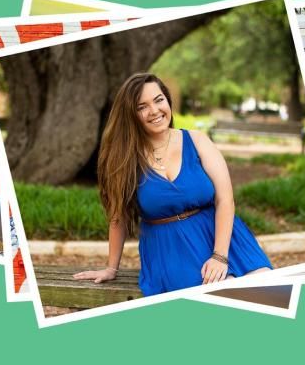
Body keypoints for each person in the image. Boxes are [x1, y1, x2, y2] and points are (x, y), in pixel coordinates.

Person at [73, 73, 272, 295]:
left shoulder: (197, 140)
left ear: (167, 100)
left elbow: (225, 199)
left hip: (222, 238)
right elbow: (118, 217)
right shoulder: (123, 160)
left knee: (264, 287)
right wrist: (111, 268)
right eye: (142, 107)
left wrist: (219, 256)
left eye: (159, 100)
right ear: (131, 114)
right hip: (169, 248)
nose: (155, 111)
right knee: (222, 294)